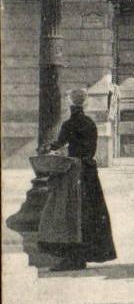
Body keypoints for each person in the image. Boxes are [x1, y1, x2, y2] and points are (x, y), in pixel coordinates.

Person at [39, 89, 116, 271]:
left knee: (70, 214)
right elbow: (90, 149)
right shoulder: (90, 123)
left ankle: (72, 257)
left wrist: (48, 147)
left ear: (70, 103)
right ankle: (83, 256)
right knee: (89, 215)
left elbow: (59, 144)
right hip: (89, 173)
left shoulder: (69, 123)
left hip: (74, 173)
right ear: (85, 103)